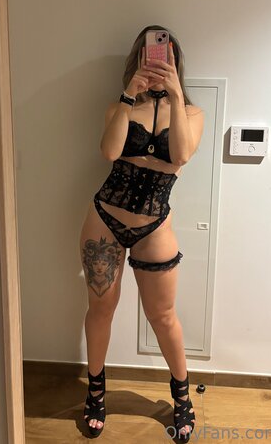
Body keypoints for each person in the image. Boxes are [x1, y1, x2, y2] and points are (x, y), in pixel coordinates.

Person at [80, 25, 204, 441]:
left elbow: (181, 154)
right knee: (101, 309)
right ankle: (96, 393)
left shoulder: (192, 114)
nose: (157, 61)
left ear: (175, 61)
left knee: (163, 316)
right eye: (149, 54)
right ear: (138, 58)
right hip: (106, 218)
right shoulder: (119, 106)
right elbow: (110, 152)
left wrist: (174, 94)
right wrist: (129, 95)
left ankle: (182, 397)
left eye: (165, 55)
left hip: (155, 224)